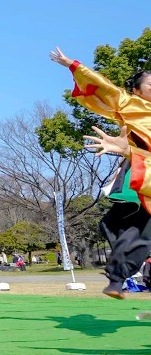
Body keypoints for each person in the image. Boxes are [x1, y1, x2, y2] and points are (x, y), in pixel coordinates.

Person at [53, 47, 151, 299]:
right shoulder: (130, 104)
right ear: (136, 91)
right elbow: (104, 87)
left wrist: (126, 149)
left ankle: (119, 276)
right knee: (113, 223)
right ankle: (120, 275)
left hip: (143, 170)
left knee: (136, 227)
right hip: (140, 170)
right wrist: (73, 65)